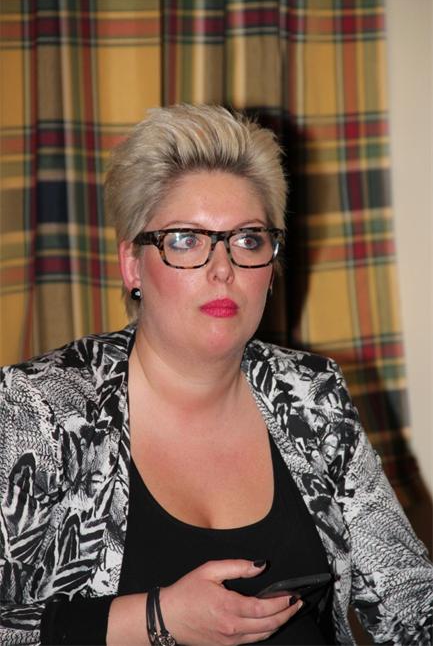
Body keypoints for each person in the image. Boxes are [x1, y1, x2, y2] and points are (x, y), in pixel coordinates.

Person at [0, 104, 431, 646]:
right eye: (186, 239)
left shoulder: (312, 395)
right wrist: (154, 618)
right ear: (133, 265)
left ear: (271, 268)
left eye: (248, 239)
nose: (223, 269)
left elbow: (410, 598)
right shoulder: (40, 407)